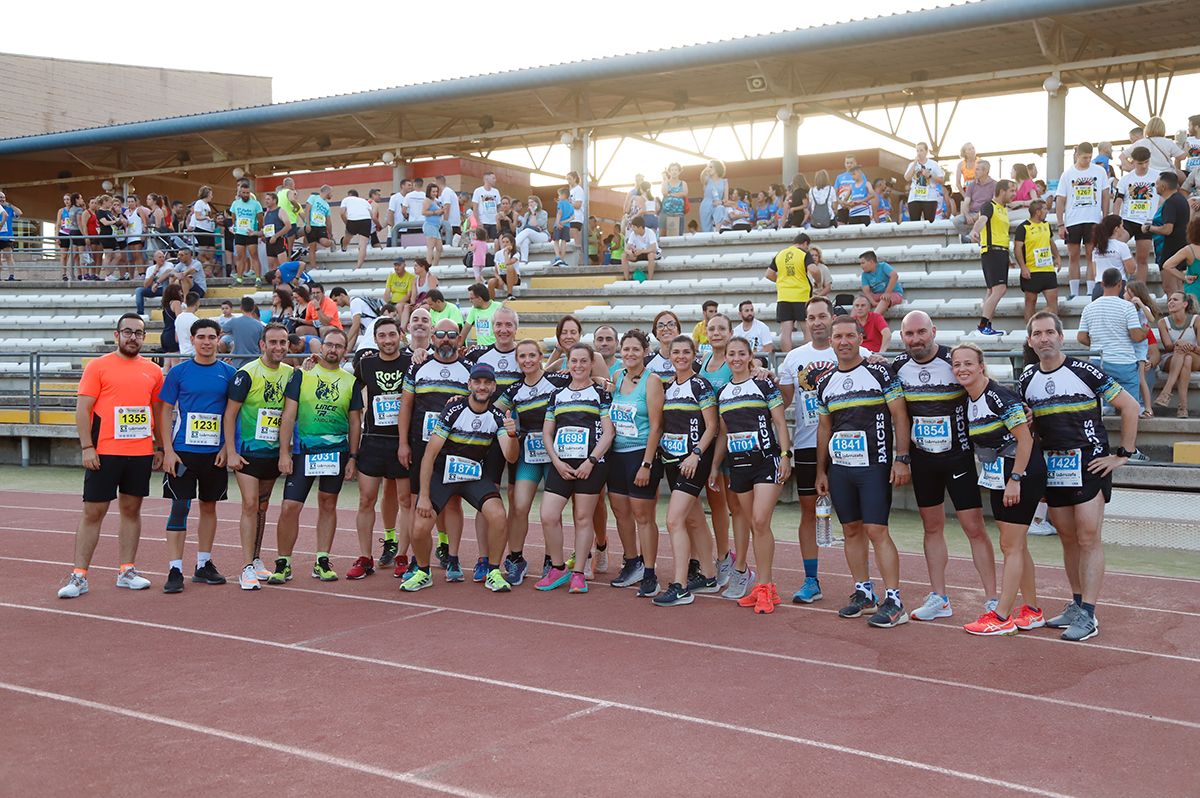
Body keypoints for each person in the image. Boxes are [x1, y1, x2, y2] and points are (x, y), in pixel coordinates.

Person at [1021, 311, 1140, 641]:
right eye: (1037, 334)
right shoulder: (1026, 378)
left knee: (1088, 538)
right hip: (1054, 469)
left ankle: (1088, 613)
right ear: (1030, 341)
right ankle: (1076, 604)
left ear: (1061, 337)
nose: (1044, 338)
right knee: (1068, 539)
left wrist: (1122, 455)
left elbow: (1130, 407)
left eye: (1049, 332)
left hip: (1089, 466)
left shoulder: (1085, 371)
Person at [892, 311, 998, 621]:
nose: (916, 339)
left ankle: (992, 599)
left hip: (958, 457)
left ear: (933, 331)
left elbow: (987, 386)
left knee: (974, 528)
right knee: (932, 527)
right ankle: (939, 597)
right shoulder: (897, 366)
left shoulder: (955, 360)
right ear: (902, 337)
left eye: (922, 332)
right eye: (910, 334)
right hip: (923, 460)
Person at [814, 314, 911, 628]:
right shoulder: (825, 381)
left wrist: (901, 458)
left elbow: (899, 416)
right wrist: (821, 471)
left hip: (874, 465)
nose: (843, 342)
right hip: (841, 469)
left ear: (860, 339)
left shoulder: (880, 371)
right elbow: (824, 428)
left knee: (877, 531)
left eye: (849, 336)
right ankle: (864, 593)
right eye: (838, 337)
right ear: (831, 342)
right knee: (851, 531)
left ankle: (894, 600)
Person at [57, 314, 164, 598]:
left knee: (132, 511)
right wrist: (86, 447)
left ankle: (127, 570)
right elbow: (82, 409)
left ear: (144, 337)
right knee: (94, 512)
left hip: (140, 453)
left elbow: (158, 412)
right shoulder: (98, 366)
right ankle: (79, 576)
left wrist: (161, 447)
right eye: (127, 332)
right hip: (104, 452)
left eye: (139, 333)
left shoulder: (153, 371)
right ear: (117, 335)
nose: (133, 337)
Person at [777, 297, 872, 603]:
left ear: (832, 319)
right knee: (808, 513)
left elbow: (878, 370)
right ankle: (811, 580)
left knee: (856, 518)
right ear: (805, 321)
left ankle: (863, 585)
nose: (816, 321)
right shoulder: (793, 358)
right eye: (810, 317)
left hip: (850, 446)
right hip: (808, 444)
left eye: (821, 316)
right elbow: (783, 401)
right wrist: (765, 379)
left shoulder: (858, 352)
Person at [951, 343, 1046, 635]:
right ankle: (1031, 610)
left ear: (981, 366)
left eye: (969, 363)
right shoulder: (970, 399)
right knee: (1016, 544)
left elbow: (1026, 439)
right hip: (996, 474)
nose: (962, 369)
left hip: (1020, 471)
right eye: (957, 365)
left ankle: (1002, 616)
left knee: (1011, 545)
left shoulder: (998, 395)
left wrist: (1015, 478)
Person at [401, 363, 517, 594]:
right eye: (477, 382)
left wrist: (512, 434)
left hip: (473, 476)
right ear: (469, 384)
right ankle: (424, 571)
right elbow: (429, 456)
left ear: (494, 387)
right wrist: (423, 496)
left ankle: (493, 571)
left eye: (487, 383)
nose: (482, 386)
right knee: (419, 527)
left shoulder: (497, 416)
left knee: (498, 515)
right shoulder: (454, 410)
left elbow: (511, 457)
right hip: (443, 474)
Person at [273, 327, 362, 583]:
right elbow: (288, 415)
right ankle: (283, 562)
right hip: (303, 451)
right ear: (321, 347)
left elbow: (355, 422)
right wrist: (284, 452)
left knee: (327, 503)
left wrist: (353, 457)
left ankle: (322, 560)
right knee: (290, 506)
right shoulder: (302, 375)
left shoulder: (351, 382)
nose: (333, 349)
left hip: (336, 453)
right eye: (329, 344)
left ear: (345, 352)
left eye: (339, 346)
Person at [712, 335, 791, 614]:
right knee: (750, 522)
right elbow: (723, 434)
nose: (735, 358)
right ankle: (760, 587)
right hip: (739, 466)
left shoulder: (763, 383)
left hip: (767, 461)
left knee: (759, 520)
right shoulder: (722, 392)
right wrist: (714, 466)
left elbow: (780, 422)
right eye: (731, 354)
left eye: (740, 354)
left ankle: (767, 586)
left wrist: (785, 455)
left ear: (749, 356)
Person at [157, 318, 236, 593]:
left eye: (211, 337)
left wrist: (227, 447)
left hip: (215, 453)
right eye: (201, 336)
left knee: (209, 506)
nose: (206, 341)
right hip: (182, 452)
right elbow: (165, 411)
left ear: (219, 339)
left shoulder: (228, 372)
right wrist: (167, 450)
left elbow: (232, 413)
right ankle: (175, 568)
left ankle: (203, 564)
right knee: (179, 507)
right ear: (192, 340)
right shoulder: (179, 373)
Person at [537, 344, 615, 594]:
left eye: (584, 361)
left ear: (592, 364)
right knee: (548, 515)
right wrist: (556, 462)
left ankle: (579, 572)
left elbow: (608, 432)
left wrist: (591, 461)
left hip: (591, 466)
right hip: (562, 466)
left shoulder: (601, 394)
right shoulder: (557, 395)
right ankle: (559, 568)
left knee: (583, 518)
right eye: (574, 361)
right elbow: (547, 433)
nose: (578, 366)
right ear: (567, 364)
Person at [397, 318, 471, 579]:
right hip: (421, 445)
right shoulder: (418, 367)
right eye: (440, 334)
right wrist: (403, 443)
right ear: (432, 338)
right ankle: (420, 561)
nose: (446, 339)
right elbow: (405, 407)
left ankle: (452, 558)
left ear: (458, 339)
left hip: (456, 447)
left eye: (451, 334)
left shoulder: (470, 370)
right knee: (420, 502)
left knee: (453, 503)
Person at [494, 339, 572, 585]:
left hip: (555, 454)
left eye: (531, 355)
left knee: (552, 510)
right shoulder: (515, 390)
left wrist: (603, 381)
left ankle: (552, 559)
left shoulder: (558, 382)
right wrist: (459, 401)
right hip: (529, 455)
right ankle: (516, 558)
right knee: (519, 506)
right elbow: (492, 410)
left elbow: (587, 385)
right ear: (517, 361)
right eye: (522, 356)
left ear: (540, 357)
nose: (527, 360)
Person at [650, 334, 720, 606]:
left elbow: (712, 426)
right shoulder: (668, 386)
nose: (680, 356)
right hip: (672, 461)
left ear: (694, 355)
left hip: (694, 462)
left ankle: (680, 586)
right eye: (675, 352)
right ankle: (709, 575)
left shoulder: (700, 385)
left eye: (685, 352)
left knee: (673, 520)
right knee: (693, 520)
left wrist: (696, 455)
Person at [347, 317, 417, 580]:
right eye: (382, 336)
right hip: (373, 440)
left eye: (392, 335)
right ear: (375, 339)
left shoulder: (412, 363)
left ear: (400, 336)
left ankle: (402, 555)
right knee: (366, 500)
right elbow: (349, 390)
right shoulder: (366, 364)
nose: (388, 340)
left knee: (405, 501)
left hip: (402, 442)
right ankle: (365, 557)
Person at [224, 322, 293, 589]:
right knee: (250, 505)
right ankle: (245, 567)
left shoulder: (291, 373)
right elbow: (230, 415)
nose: (278, 347)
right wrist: (231, 452)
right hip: (247, 453)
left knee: (263, 507)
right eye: (273, 342)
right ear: (262, 345)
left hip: (274, 454)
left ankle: (256, 558)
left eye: (283, 342)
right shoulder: (247, 374)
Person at [605, 330, 666, 596]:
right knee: (620, 512)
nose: (630, 354)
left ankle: (650, 572)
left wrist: (647, 463)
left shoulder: (652, 381)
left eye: (635, 349)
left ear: (645, 351)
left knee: (643, 515)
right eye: (626, 349)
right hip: (616, 454)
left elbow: (656, 427)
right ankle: (632, 563)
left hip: (640, 454)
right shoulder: (617, 376)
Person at [1079, 268, 1147, 408]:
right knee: (1131, 408)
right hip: (1124, 362)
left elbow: (1081, 337)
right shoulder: (1127, 307)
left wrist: (1097, 342)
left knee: (1101, 409)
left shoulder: (1089, 307)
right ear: (1120, 284)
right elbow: (1136, 336)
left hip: (1098, 361)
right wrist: (1144, 331)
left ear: (1102, 284)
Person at [1056, 142, 1111, 298]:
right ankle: (1074, 292)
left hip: (1093, 219)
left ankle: (1090, 291)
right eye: (1084, 157)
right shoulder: (1067, 174)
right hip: (1073, 220)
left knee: (1091, 255)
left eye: (1089, 157)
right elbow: (1060, 199)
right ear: (1077, 155)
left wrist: (1105, 217)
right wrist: (1061, 223)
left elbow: (1105, 195)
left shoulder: (1099, 171)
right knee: (1073, 256)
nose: (1087, 160)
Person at [969, 178, 1018, 336]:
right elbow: (982, 220)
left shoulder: (1003, 209)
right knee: (999, 289)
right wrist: (974, 231)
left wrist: (1008, 256)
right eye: (1011, 190)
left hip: (1001, 251)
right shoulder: (989, 205)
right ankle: (982, 326)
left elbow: (1001, 233)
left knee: (992, 291)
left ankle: (987, 325)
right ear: (1002, 191)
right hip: (992, 251)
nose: (1014, 194)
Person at [766, 233, 821, 351]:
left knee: (786, 332)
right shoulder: (803, 254)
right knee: (807, 329)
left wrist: (781, 282)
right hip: (801, 296)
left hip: (784, 296)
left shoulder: (780, 254)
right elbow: (814, 270)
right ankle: (809, 357)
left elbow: (769, 274)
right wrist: (818, 282)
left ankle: (787, 360)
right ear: (805, 243)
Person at [1113, 146, 1159, 282]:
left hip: (1147, 221)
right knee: (1115, 248)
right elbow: (1118, 200)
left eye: (1146, 162)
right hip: (1128, 219)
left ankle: (1141, 290)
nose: (1144, 166)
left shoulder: (1157, 176)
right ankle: (1119, 281)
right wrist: (1116, 220)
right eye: (1140, 163)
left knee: (1142, 259)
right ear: (1133, 161)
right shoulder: (1126, 179)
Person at [1154, 291, 1200, 416]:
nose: (1171, 302)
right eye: (1169, 300)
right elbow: (1168, 348)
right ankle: (1183, 407)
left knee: (1187, 355)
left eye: (1175, 300)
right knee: (1186, 358)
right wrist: (1179, 343)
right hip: (1172, 357)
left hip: (1196, 356)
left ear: (1184, 304)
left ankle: (1166, 392)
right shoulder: (1163, 322)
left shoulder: (1196, 320)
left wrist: (1188, 346)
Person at [1015, 199, 1061, 320]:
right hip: (1032, 271)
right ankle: (1030, 331)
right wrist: (1023, 267)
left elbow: (1051, 242)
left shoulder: (1046, 225)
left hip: (1048, 269)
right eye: (1045, 209)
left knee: (1053, 303)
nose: (1047, 211)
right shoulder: (1023, 227)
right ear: (1038, 212)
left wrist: (1057, 257)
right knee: (1030, 302)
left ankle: (1049, 328)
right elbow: (1017, 249)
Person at [1146, 171, 1191, 294]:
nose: (1155, 186)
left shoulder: (1171, 203)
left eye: (1157, 184)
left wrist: (1149, 228)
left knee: (1170, 288)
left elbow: (1167, 229)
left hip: (1169, 249)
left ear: (1163, 186)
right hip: (1180, 246)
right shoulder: (1181, 199)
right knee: (1179, 289)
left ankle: (1177, 313)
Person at [228, 183, 264, 286]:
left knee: (254, 255)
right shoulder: (235, 203)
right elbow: (233, 217)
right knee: (240, 257)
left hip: (251, 233)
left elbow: (260, 218)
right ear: (240, 193)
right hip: (239, 233)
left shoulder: (256, 204)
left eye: (247, 193)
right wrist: (235, 227)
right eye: (243, 193)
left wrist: (257, 230)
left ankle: (258, 278)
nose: (245, 195)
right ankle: (239, 278)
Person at [904, 142, 945, 222]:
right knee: (914, 223)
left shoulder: (933, 164)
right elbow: (907, 178)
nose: (919, 153)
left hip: (929, 197)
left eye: (921, 150)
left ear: (926, 152)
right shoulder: (912, 164)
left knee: (929, 223)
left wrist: (930, 175)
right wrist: (915, 162)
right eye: (917, 151)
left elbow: (942, 180)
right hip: (915, 197)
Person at [955, 159, 996, 235]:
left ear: (985, 171)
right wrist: (967, 216)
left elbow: (993, 203)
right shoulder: (972, 185)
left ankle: (972, 237)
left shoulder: (994, 185)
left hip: (985, 214)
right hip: (971, 213)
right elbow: (966, 202)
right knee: (957, 220)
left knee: (982, 221)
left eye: (977, 169)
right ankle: (968, 238)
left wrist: (978, 215)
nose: (975, 171)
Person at [301, 184, 334, 275]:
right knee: (312, 247)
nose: (332, 195)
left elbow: (328, 220)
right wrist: (307, 223)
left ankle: (331, 243)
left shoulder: (327, 205)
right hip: (312, 225)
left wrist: (330, 233)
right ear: (326, 191)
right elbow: (307, 210)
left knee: (325, 242)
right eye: (331, 193)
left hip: (321, 227)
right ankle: (313, 267)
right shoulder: (313, 198)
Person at [858, 250, 904, 315]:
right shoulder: (864, 274)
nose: (861, 265)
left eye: (863, 263)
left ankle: (874, 319)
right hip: (878, 295)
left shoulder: (883, 266)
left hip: (894, 293)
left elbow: (894, 276)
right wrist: (872, 302)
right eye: (860, 263)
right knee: (860, 300)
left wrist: (887, 293)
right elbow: (866, 291)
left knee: (885, 299)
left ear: (871, 262)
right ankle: (852, 321)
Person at [339, 189, 374, 270]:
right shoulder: (364, 201)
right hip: (366, 219)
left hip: (353, 219)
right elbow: (371, 215)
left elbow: (341, 213)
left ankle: (344, 247)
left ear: (349, 195)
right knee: (363, 245)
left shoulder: (346, 199)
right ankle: (358, 267)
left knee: (348, 236)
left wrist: (346, 223)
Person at [226, 296, 266, 364]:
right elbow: (262, 345)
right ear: (253, 308)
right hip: (254, 362)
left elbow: (220, 331)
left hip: (237, 363)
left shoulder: (233, 322)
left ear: (241, 308)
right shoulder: (259, 325)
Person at [622, 214, 660, 281]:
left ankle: (650, 279)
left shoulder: (650, 232)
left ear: (640, 227)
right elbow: (626, 248)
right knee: (624, 256)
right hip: (638, 253)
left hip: (651, 253)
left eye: (634, 227)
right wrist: (629, 252)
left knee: (650, 255)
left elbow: (654, 248)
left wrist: (642, 251)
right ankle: (626, 279)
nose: (633, 229)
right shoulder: (633, 234)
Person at [698, 160, 729, 233]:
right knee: (706, 229)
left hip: (717, 204)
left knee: (720, 209)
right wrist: (706, 169)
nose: (709, 169)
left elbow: (726, 199)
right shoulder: (706, 180)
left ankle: (717, 233)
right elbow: (702, 176)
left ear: (717, 168)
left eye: (711, 167)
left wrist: (720, 202)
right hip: (706, 205)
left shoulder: (724, 182)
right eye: (708, 167)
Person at [421, 183, 445, 269]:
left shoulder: (436, 201)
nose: (435, 193)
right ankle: (428, 266)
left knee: (439, 248)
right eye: (433, 191)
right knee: (430, 247)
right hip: (430, 225)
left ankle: (435, 265)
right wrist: (435, 212)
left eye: (436, 191)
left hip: (436, 226)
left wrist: (441, 211)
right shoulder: (427, 200)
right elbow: (424, 212)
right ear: (429, 192)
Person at [471, 171, 501, 239]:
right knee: (482, 241)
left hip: (493, 222)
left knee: (493, 241)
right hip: (483, 221)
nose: (495, 180)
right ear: (486, 179)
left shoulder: (496, 191)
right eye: (493, 178)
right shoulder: (478, 191)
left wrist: (498, 218)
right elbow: (475, 208)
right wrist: (478, 222)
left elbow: (499, 205)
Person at [661, 163, 689, 237]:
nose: (674, 172)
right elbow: (664, 193)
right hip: (667, 213)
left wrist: (671, 194)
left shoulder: (683, 183)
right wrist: (678, 193)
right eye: (672, 170)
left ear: (679, 171)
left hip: (679, 213)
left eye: (676, 170)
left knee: (679, 234)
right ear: (669, 172)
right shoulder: (665, 183)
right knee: (666, 235)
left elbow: (685, 193)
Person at [174, 292, 202, 358]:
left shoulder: (179, 317)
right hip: (193, 354)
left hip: (183, 353)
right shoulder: (196, 320)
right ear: (197, 303)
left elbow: (177, 339)